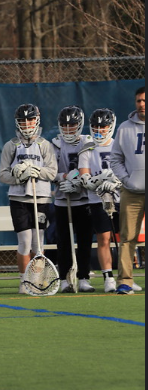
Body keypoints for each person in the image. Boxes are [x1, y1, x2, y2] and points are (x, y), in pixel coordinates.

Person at [0, 104, 58, 294]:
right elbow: (2, 175)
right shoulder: (11, 145)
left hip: (40, 198)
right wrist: (19, 176)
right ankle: (25, 281)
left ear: (37, 120)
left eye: (30, 119)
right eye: (23, 120)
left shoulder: (44, 145)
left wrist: (36, 170)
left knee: (38, 242)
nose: (27, 124)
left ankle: (37, 280)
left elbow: (53, 172)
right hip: (18, 198)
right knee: (24, 241)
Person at [51, 105, 94, 292]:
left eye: (73, 124)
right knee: (64, 242)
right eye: (65, 125)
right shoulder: (55, 143)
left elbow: (91, 166)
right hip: (63, 199)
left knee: (85, 240)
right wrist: (63, 178)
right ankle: (64, 279)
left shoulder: (87, 142)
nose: (69, 128)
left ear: (80, 124)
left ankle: (83, 277)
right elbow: (51, 170)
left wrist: (77, 180)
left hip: (84, 198)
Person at [78, 108, 121, 293]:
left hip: (121, 197)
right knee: (103, 238)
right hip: (98, 199)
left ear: (110, 126)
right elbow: (84, 178)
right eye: (95, 126)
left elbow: (128, 171)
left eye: (103, 126)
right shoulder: (88, 148)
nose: (99, 130)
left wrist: (115, 182)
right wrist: (99, 181)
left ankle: (126, 276)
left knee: (127, 238)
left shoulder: (119, 145)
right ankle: (108, 277)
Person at [110, 86, 145, 294]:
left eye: (144, 100)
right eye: (139, 101)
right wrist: (126, 180)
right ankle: (125, 282)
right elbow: (115, 159)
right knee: (127, 237)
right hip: (132, 192)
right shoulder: (124, 127)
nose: (142, 104)